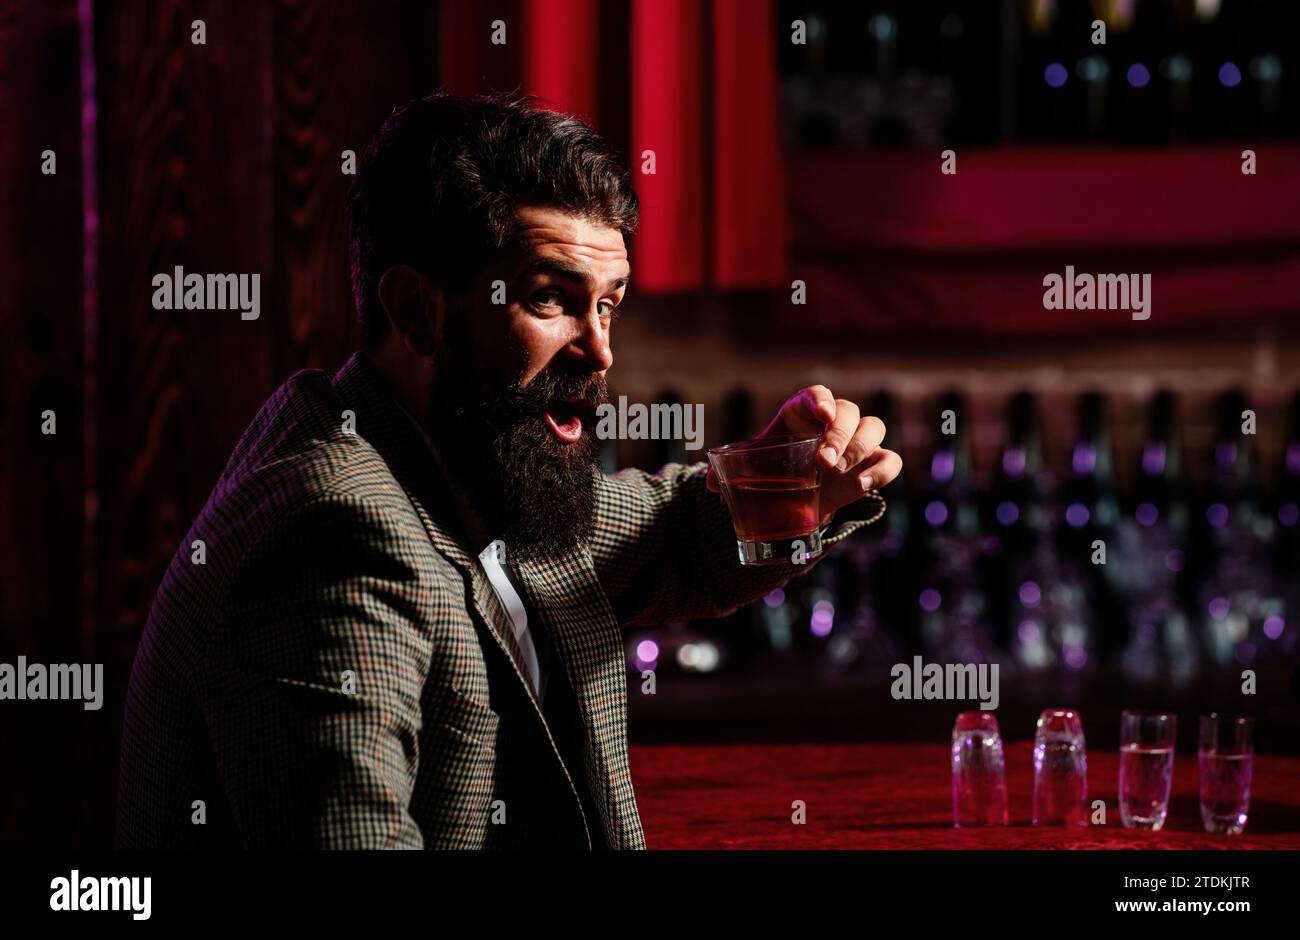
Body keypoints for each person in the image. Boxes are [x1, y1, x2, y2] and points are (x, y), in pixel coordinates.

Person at [115, 92, 902, 849]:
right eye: (550, 299)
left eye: (609, 304)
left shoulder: (469, 458)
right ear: (418, 311)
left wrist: (788, 478)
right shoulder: (338, 541)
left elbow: (660, 537)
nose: (600, 352)